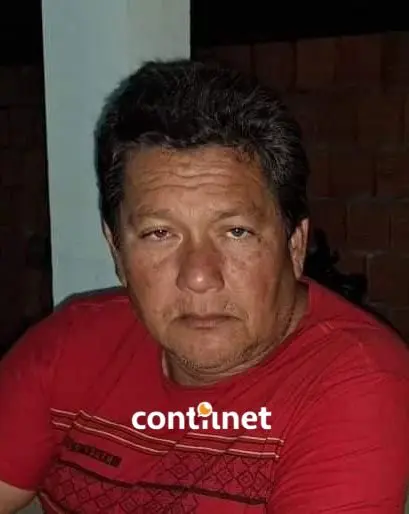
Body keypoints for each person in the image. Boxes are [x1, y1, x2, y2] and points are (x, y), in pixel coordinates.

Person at [0, 59, 408, 514]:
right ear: (116, 250)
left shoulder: (354, 382)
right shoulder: (69, 345)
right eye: (159, 233)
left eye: (236, 232)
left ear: (295, 245)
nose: (198, 275)